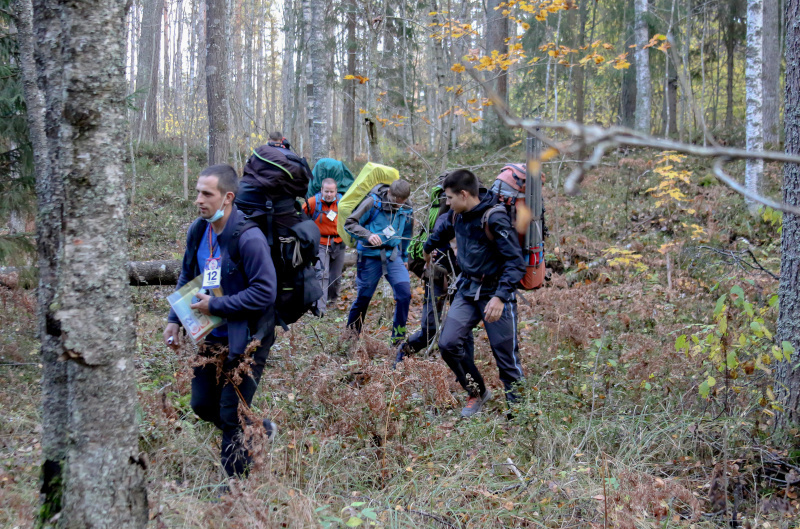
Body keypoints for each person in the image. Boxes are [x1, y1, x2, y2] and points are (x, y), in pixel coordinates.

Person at [163, 164, 278, 479]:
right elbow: (188, 274)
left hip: (250, 336)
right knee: (201, 404)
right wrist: (175, 317)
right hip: (211, 334)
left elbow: (266, 293)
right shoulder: (199, 230)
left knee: (231, 413)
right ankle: (261, 431)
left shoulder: (248, 238)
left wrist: (217, 304)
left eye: (206, 193)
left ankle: (234, 492)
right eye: (198, 192)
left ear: (227, 197)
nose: (199, 199)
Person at [423, 169, 526, 418]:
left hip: (494, 292)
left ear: (464, 194)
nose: (446, 203)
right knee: (448, 344)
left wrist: (501, 297)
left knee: (505, 356)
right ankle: (477, 391)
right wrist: (426, 250)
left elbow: (515, 262)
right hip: (468, 289)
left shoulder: (494, 218)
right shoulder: (457, 215)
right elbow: (440, 234)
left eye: (449, 198)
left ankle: (520, 412)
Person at [394, 178, 474, 367]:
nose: (448, 202)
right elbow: (430, 244)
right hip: (439, 275)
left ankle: (467, 373)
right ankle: (403, 353)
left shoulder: (478, 218)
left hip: (464, 278)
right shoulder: (446, 218)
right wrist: (430, 262)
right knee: (429, 328)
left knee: (464, 329)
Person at [345, 179, 414, 345]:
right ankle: (350, 339)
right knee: (364, 298)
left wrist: (405, 257)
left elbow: (407, 233)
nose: (398, 206)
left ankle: (397, 340)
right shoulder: (373, 203)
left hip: (393, 255)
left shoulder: (407, 208)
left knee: (404, 294)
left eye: (401, 203)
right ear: (389, 193)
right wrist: (367, 235)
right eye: (395, 202)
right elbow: (350, 224)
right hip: (369, 256)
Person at [303, 178, 345, 313]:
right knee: (322, 274)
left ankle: (332, 301)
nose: (329, 194)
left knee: (336, 276)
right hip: (320, 243)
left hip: (338, 242)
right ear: (321, 190)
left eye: (332, 191)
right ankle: (320, 308)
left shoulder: (342, 203)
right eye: (326, 191)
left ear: (336, 191)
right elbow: (300, 217)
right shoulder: (313, 202)